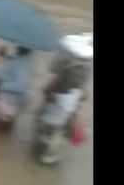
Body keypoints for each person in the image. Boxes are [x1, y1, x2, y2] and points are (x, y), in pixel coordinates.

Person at [34, 34, 93, 165]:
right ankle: (50, 155)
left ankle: (44, 148)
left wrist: (48, 91)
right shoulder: (86, 67)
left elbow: (54, 82)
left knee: (49, 123)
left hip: (59, 99)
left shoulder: (67, 63)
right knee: (60, 129)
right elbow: (82, 90)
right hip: (72, 100)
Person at [0, 46, 35, 131]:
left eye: (19, 44)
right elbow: (13, 62)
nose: (16, 45)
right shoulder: (20, 60)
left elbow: (20, 86)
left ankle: (3, 122)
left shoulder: (22, 65)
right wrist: (4, 55)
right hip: (6, 102)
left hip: (8, 102)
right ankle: (3, 122)